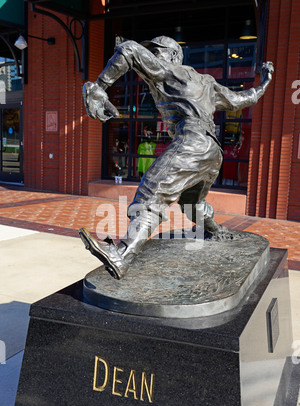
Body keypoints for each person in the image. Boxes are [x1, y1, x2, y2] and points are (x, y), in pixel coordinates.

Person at [80, 36, 274, 280]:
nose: (153, 58)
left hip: (192, 140)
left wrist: (99, 86)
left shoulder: (166, 71)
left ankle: (123, 255)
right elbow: (242, 99)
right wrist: (265, 83)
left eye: (157, 52)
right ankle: (214, 230)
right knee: (192, 204)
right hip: (213, 152)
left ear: (172, 56)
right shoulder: (207, 82)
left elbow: (129, 49)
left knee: (152, 192)